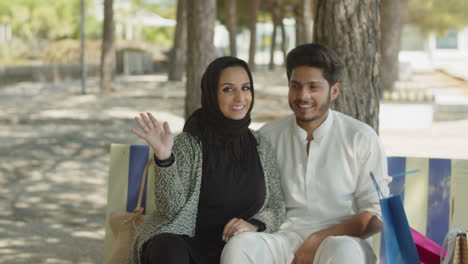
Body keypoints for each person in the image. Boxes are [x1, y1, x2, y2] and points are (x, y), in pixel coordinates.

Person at [221, 43, 391, 264]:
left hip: (343, 242)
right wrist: (253, 224)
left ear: (334, 91)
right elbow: (256, 202)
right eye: (295, 86)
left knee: (344, 252)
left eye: (313, 87)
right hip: (282, 240)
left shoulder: (360, 138)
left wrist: (317, 239)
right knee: (239, 247)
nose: (303, 96)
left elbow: (377, 216)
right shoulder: (268, 136)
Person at [127, 56, 285, 264]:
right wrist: (164, 158)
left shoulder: (260, 145)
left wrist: (254, 225)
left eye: (246, 88)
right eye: (228, 89)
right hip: (188, 248)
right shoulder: (190, 143)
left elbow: (276, 206)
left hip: (240, 250)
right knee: (167, 249)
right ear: (211, 94)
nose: (240, 98)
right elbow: (171, 210)